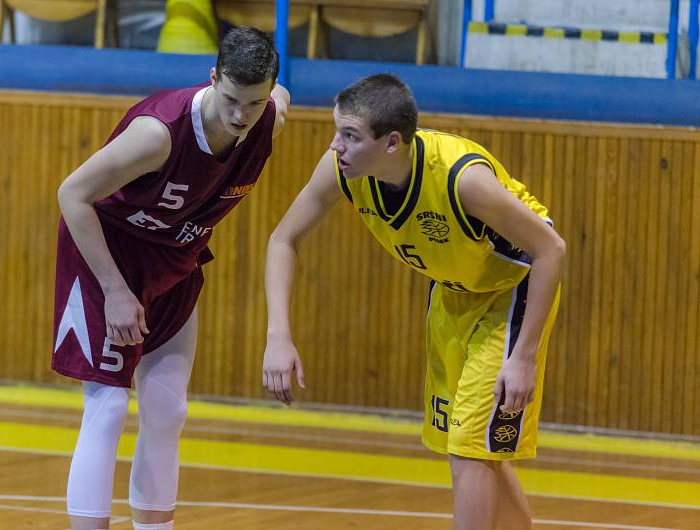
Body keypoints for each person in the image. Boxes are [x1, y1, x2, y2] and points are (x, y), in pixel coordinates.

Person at [262, 74, 564, 530]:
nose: (336, 147)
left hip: (512, 293)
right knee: (475, 450)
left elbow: (551, 250)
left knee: (468, 449)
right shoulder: (342, 170)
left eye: (350, 136)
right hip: (452, 292)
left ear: (391, 143)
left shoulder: (463, 181)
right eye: (336, 131)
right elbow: (283, 239)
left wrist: (524, 357)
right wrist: (278, 336)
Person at [52, 27, 289, 530]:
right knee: (110, 405)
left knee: (167, 410)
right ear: (211, 78)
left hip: (175, 258)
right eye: (230, 99)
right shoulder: (159, 134)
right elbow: (72, 195)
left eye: (254, 101)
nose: (241, 115)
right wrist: (115, 290)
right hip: (108, 257)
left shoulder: (272, 117)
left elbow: (280, 101)